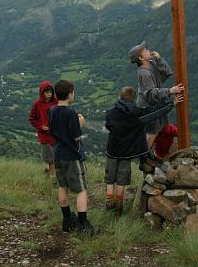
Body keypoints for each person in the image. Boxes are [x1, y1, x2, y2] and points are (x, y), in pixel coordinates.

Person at [104, 86, 179, 214]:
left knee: (110, 178)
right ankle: (118, 206)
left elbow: (108, 125)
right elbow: (155, 111)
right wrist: (171, 103)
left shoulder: (111, 113)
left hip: (112, 150)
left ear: (119, 97)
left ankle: (109, 204)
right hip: (126, 153)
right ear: (133, 99)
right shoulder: (137, 113)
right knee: (122, 179)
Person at [48, 79, 95, 236]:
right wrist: (80, 122)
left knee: (63, 187)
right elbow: (76, 137)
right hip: (72, 156)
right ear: (70, 95)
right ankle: (83, 224)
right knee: (81, 189)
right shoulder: (71, 114)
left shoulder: (52, 110)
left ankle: (67, 219)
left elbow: (53, 131)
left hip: (58, 153)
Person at [128, 41, 185, 148]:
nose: (147, 50)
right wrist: (169, 91)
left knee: (159, 130)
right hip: (147, 107)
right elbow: (151, 94)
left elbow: (167, 73)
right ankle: (143, 157)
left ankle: (156, 155)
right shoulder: (144, 73)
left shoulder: (152, 64)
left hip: (154, 103)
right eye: (144, 50)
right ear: (141, 58)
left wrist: (159, 60)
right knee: (152, 132)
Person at [28, 80, 58, 177]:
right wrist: (41, 126)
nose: (49, 94)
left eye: (50, 92)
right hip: (44, 136)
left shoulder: (56, 102)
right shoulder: (38, 104)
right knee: (50, 158)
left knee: (55, 158)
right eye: (46, 92)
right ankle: (52, 178)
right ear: (42, 93)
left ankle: (49, 172)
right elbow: (32, 118)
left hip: (56, 135)